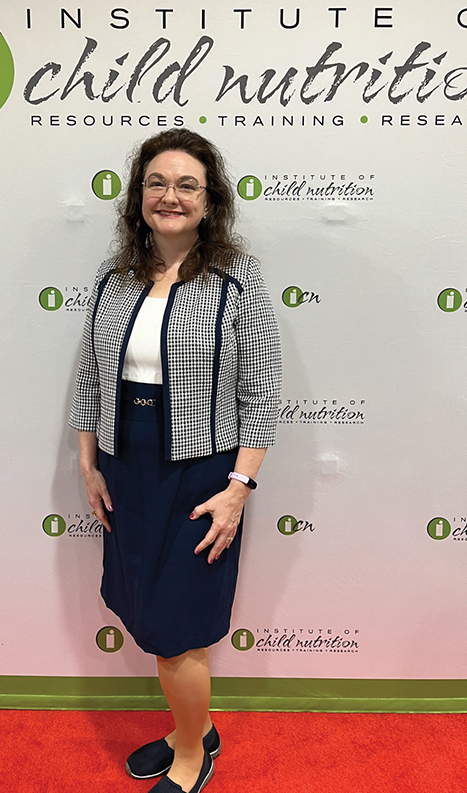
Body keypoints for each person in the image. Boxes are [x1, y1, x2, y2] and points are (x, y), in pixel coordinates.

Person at [69, 128, 281, 793]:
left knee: (174, 631)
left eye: (187, 184)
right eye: (157, 183)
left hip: (201, 476)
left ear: (210, 200)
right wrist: (88, 463)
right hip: (126, 469)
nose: (171, 195)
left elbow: (262, 394)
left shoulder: (235, 279)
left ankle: (193, 753)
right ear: (138, 198)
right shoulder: (114, 277)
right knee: (146, 615)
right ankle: (196, 726)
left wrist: (239, 487)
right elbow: (90, 378)